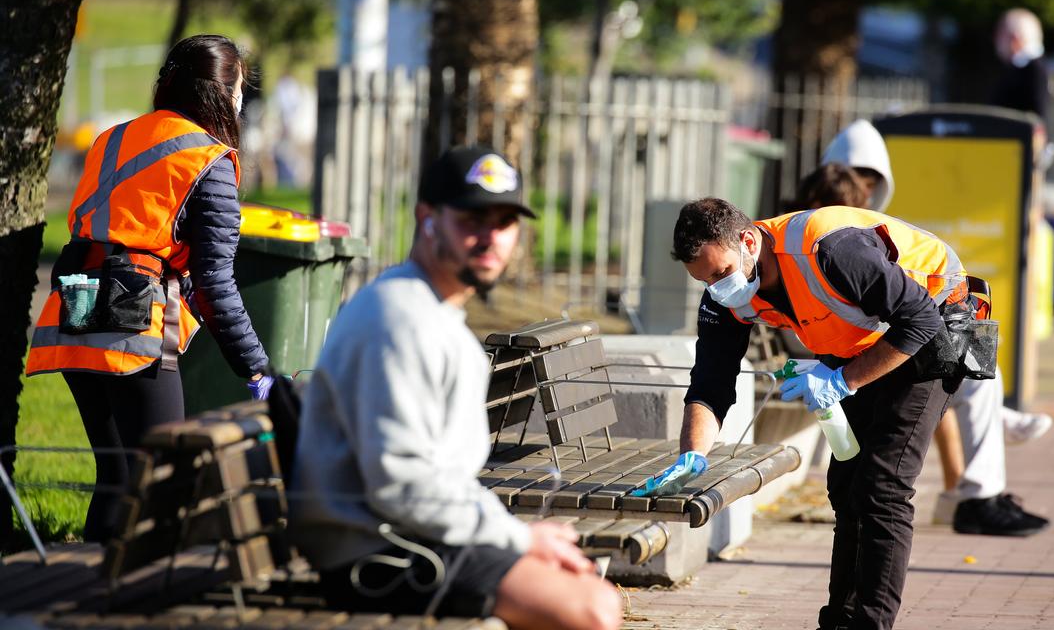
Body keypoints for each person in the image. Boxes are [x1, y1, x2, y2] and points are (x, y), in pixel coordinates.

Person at [288, 146, 621, 630]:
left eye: (505, 222)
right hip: (378, 557)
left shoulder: (432, 313)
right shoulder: (398, 319)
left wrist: (513, 535)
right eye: (472, 218)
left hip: (416, 537)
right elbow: (402, 482)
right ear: (428, 218)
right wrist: (520, 540)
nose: (490, 237)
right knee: (592, 609)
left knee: (589, 584)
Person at [661, 195, 973, 630]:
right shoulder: (722, 296)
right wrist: (692, 454)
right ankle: (839, 621)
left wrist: (843, 381)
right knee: (846, 487)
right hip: (865, 345)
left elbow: (919, 320)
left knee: (882, 486)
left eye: (722, 273)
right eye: (705, 281)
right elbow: (711, 382)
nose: (717, 287)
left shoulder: (829, 249)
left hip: (937, 321)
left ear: (749, 241)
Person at [26, 35, 273, 542]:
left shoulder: (112, 137)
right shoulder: (209, 158)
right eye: (241, 89)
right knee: (160, 476)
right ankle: (134, 599)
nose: (242, 101)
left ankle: (92, 593)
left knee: (118, 476)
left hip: (75, 303)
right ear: (225, 94)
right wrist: (256, 367)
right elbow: (216, 283)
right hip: (131, 320)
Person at [811, 122, 1051, 537]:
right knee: (966, 369)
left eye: (870, 184)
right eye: (857, 183)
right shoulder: (822, 236)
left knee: (974, 353)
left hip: (882, 343)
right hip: (853, 358)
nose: (864, 193)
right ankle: (976, 491)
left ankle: (977, 483)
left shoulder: (861, 230)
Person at [991, 8, 1049, 120]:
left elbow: (1036, 117)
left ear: (1015, 38)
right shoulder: (1017, 67)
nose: (996, 41)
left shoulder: (1033, 69)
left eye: (1000, 35)